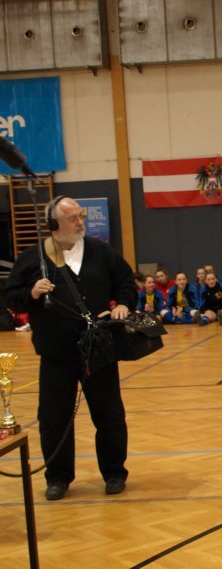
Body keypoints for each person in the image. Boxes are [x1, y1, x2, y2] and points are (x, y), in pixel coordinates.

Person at [5, 196, 135, 501]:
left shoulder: (101, 252)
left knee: (109, 415)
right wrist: (31, 293)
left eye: (81, 216)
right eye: (73, 218)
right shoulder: (33, 258)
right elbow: (11, 297)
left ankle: (114, 472)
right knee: (53, 419)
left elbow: (126, 281)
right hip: (56, 355)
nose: (80, 223)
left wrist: (124, 304)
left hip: (98, 351)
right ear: (53, 224)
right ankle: (58, 477)